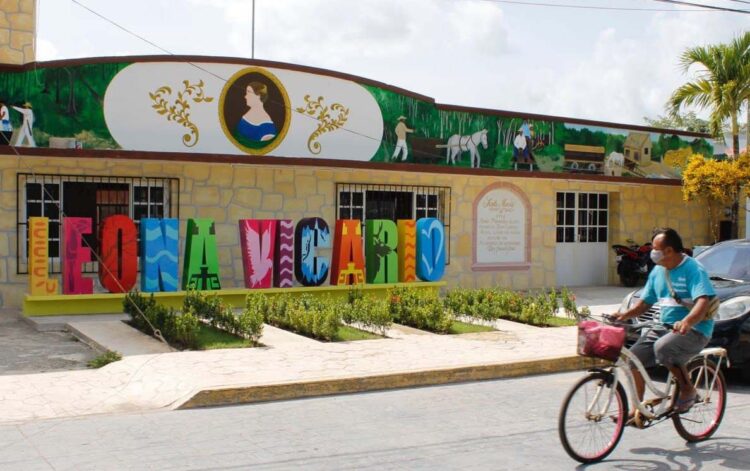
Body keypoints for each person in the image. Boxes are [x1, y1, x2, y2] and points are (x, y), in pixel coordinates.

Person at [613, 228, 715, 415]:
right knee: (633, 358)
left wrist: (687, 322)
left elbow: (703, 301)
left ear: (669, 250)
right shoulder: (658, 271)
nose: (652, 252)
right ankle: (638, 409)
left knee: (663, 348)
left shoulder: (693, 268)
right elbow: (645, 303)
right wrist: (624, 315)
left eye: (655, 248)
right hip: (664, 327)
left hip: (695, 330)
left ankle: (688, 390)